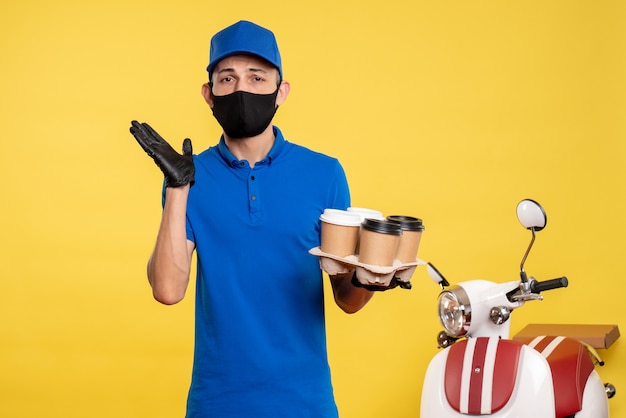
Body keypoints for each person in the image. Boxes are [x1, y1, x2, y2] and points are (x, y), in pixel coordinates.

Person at [130, 20, 375, 417]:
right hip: (217, 403)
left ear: (282, 91)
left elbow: (347, 299)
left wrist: (369, 277)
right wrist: (177, 190)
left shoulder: (324, 173)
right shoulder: (188, 176)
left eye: (257, 77)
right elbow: (168, 289)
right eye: (227, 78)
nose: (241, 89)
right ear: (209, 95)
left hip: (305, 403)